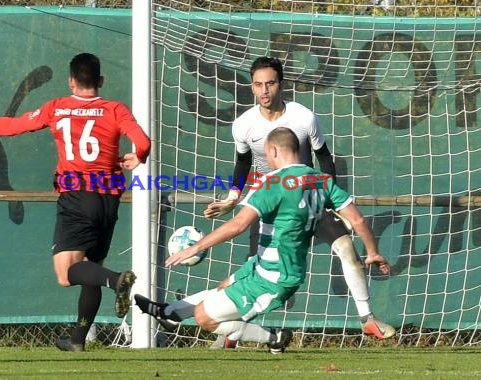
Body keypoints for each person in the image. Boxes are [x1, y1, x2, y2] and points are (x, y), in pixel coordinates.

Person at [0, 52, 151, 352]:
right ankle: (77, 339)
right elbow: (143, 141)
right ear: (100, 81)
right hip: (109, 198)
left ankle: (116, 280)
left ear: (71, 81)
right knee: (90, 267)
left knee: (65, 273)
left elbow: (10, 127)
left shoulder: (57, 108)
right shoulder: (115, 109)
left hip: (76, 196)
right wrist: (140, 157)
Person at [135, 127, 391, 354]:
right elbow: (357, 221)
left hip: (272, 277)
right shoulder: (321, 181)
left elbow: (239, 225)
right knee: (225, 286)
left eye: (266, 154)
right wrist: (372, 252)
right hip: (267, 266)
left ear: (273, 151)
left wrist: (196, 247)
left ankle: (274, 337)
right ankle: (170, 313)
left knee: (204, 318)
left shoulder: (273, 183)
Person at [203, 56, 395, 346]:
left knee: (347, 248)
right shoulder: (243, 125)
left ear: (281, 84)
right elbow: (242, 164)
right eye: (258, 85)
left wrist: (330, 199)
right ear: (252, 88)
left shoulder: (303, 117)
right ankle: (233, 329)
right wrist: (232, 198)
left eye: (270, 83)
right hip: (271, 204)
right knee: (255, 268)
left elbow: (325, 158)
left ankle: (368, 320)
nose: (264, 90)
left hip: (308, 197)